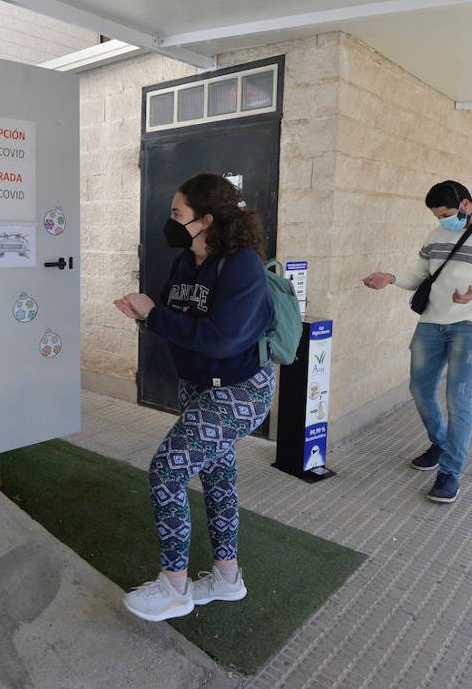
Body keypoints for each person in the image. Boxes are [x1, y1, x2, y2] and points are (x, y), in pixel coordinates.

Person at [113, 173, 275, 622]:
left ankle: (174, 587)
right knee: (218, 476)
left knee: (167, 472)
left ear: (205, 220)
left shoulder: (241, 264)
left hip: (238, 392)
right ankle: (226, 578)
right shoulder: (187, 261)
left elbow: (222, 338)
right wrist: (145, 316)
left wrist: (156, 316)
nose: (170, 222)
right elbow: (170, 315)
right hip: (199, 388)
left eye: (177, 214)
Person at [362, 181, 472, 503]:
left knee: (458, 398)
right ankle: (440, 442)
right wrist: (392, 279)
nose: (443, 221)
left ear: (466, 204)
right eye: (438, 216)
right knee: (420, 389)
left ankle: (450, 472)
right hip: (432, 323)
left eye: (448, 214)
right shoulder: (436, 234)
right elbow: (421, 277)